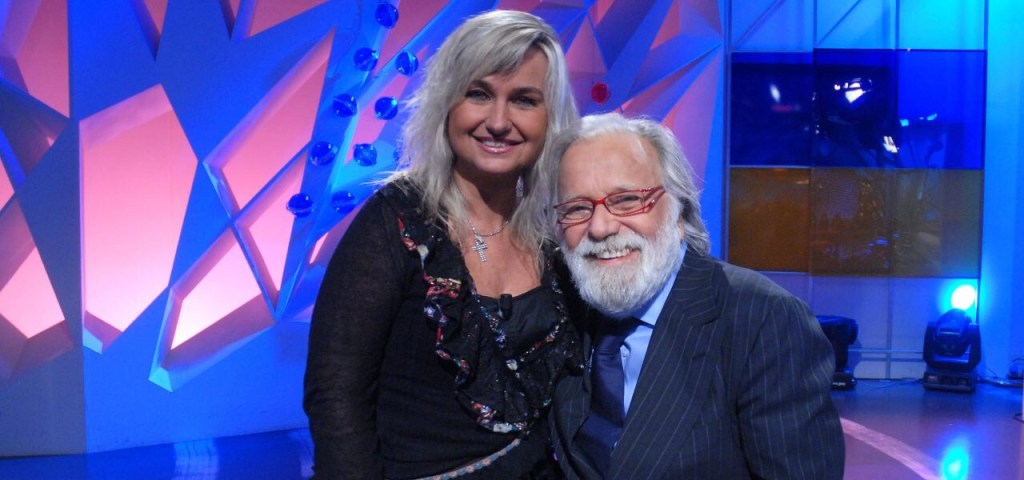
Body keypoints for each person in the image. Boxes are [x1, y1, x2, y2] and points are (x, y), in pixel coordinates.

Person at [303, 9, 582, 480]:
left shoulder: (555, 227)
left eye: (524, 100)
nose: (498, 121)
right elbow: (335, 395)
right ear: (446, 104)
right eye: (479, 94)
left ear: (550, 117)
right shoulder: (395, 221)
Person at [543, 112, 845, 479]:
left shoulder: (764, 320)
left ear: (680, 214)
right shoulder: (563, 310)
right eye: (577, 208)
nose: (600, 227)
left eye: (627, 200)